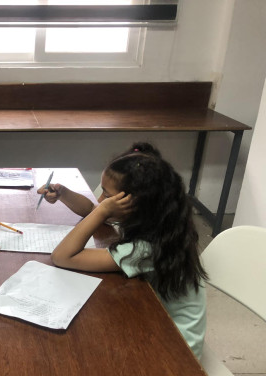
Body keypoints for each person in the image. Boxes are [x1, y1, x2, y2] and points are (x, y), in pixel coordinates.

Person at [38, 143, 207, 358]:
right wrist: (64, 193)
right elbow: (91, 209)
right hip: (160, 327)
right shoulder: (160, 223)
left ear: (131, 204)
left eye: (106, 196)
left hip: (175, 352)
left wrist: (102, 211)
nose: (100, 201)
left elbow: (62, 256)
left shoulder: (146, 249)